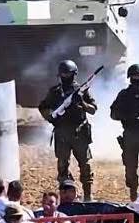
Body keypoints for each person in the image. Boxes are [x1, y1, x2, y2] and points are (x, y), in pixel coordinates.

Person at [39, 60, 97, 201]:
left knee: (85, 165)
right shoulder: (54, 92)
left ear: (74, 74)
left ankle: (87, 196)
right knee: (62, 166)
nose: (65, 77)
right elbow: (43, 107)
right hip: (62, 134)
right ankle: (66, 196)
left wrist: (82, 103)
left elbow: (93, 109)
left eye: (68, 74)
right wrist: (51, 116)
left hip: (79, 133)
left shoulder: (81, 90)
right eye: (63, 74)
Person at [110, 64, 139, 202]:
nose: (136, 79)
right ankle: (133, 194)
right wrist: (133, 115)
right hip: (130, 136)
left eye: (138, 76)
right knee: (130, 169)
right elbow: (114, 114)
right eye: (133, 76)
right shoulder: (124, 95)